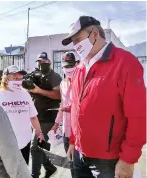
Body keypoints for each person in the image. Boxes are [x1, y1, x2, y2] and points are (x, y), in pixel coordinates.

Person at [62, 15, 146, 178]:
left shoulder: (125, 62)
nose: (75, 46)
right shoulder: (80, 67)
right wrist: (73, 141)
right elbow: (76, 106)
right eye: (73, 42)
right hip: (79, 154)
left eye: (78, 39)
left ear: (94, 34)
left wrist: (128, 159)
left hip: (108, 161)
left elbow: (138, 116)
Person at [0, 65, 44, 165]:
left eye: (20, 78)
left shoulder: (25, 94)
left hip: (25, 142)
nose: (18, 80)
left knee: (23, 172)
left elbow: (33, 117)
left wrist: (40, 133)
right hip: (5, 144)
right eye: (15, 78)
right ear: (6, 78)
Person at [29, 52, 62, 178]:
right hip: (36, 116)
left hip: (48, 116)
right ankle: (50, 168)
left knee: (35, 147)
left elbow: (58, 95)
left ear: (49, 62)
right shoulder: (36, 75)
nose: (41, 64)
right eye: (39, 62)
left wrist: (38, 90)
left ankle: (34, 175)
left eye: (44, 62)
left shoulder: (54, 76)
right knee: (41, 146)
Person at [50, 52, 79, 178]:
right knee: (71, 163)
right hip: (66, 131)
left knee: (81, 165)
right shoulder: (63, 84)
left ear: (77, 64)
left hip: (79, 131)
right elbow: (62, 105)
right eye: (66, 66)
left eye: (71, 66)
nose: (69, 69)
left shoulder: (82, 81)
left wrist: (72, 108)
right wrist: (56, 124)